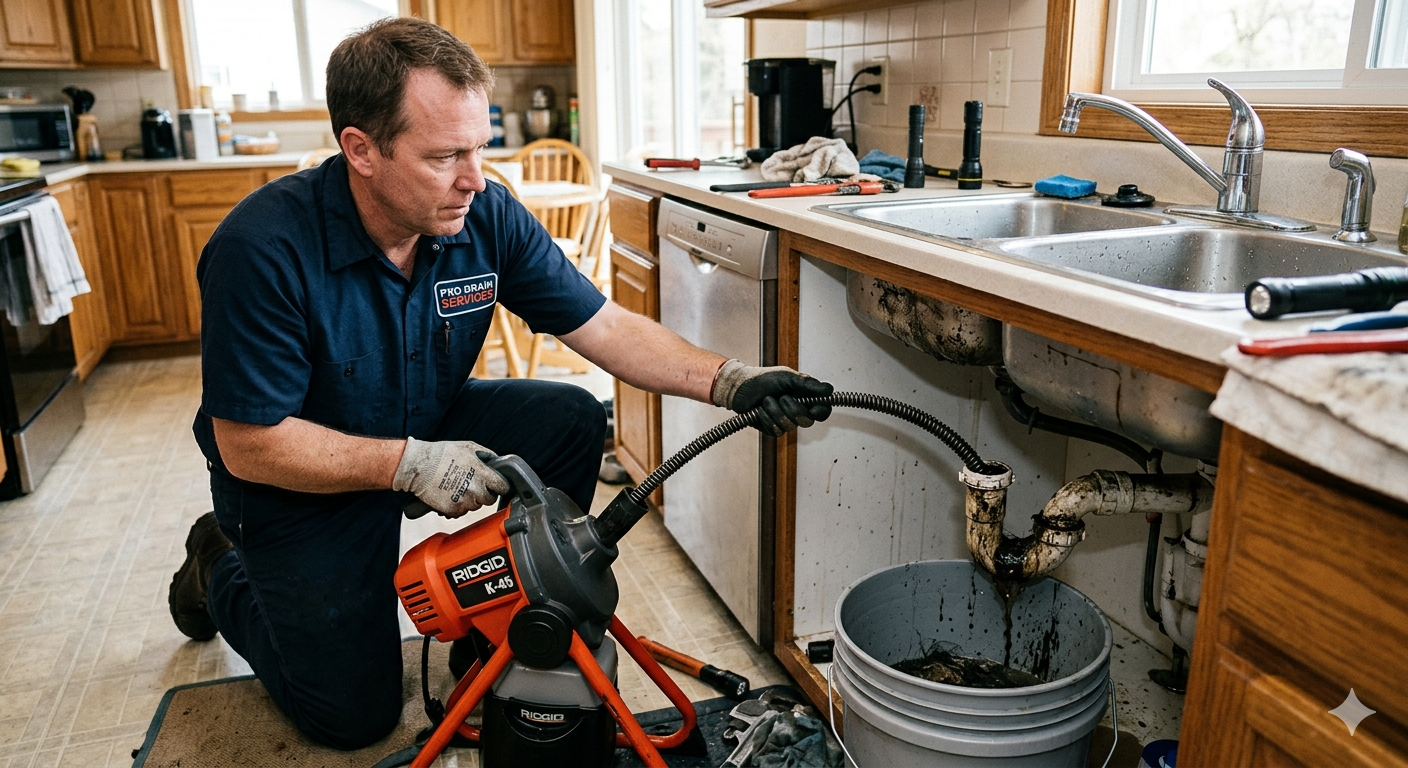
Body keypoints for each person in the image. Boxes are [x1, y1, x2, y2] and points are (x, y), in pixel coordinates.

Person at [166, 17, 833, 751]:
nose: (474, 178)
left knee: (571, 418)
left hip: (427, 413)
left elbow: (604, 329)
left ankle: (505, 621)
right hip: (300, 478)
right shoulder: (260, 249)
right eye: (444, 155)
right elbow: (250, 445)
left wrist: (729, 380)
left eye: (480, 147)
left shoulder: (482, 214)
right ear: (360, 149)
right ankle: (219, 569)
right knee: (352, 720)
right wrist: (407, 465)